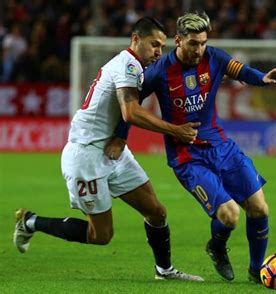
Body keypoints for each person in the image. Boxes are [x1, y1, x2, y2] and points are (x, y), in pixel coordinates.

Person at [13, 17, 203, 281]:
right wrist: (175, 130)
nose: (159, 51)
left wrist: (121, 139)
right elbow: (131, 112)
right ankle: (31, 222)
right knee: (100, 236)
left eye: (162, 46)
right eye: (154, 44)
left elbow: (125, 113)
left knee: (157, 212)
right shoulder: (127, 65)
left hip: (113, 151)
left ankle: (165, 270)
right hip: (87, 155)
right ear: (136, 40)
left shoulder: (135, 66)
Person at [110, 11, 276, 282]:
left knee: (260, 208)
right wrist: (120, 137)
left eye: (203, 42)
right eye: (193, 43)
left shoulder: (214, 57)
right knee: (230, 215)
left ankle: (256, 271)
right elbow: (131, 108)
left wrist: (261, 78)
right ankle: (216, 246)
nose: (199, 49)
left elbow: (240, 70)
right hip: (187, 156)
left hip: (221, 146)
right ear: (178, 41)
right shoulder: (159, 72)